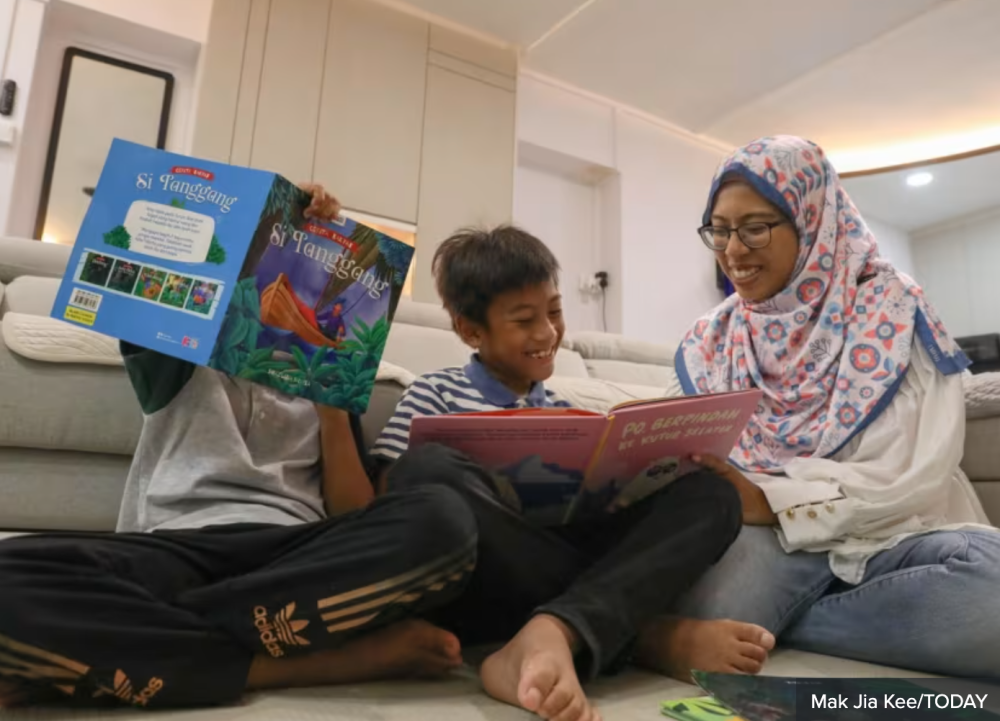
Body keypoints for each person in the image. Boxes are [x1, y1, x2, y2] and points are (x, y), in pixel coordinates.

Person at [0, 185, 478, 710]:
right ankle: (296, 662)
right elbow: (138, 283)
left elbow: (355, 514)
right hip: (177, 545)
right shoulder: (178, 352)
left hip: (297, 557)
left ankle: (133, 637)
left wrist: (332, 406)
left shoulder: (327, 378)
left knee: (445, 518)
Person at [371, 226, 774, 721]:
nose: (546, 333)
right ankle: (640, 635)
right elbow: (391, 501)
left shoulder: (569, 409)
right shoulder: (433, 395)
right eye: (524, 320)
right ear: (471, 331)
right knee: (426, 468)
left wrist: (633, 487)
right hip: (486, 573)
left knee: (712, 493)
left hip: (570, 546)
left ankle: (562, 629)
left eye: (555, 312)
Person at [673, 135, 1000, 677]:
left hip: (890, 533)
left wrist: (774, 500)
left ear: (812, 221)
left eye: (754, 227)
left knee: (990, 584)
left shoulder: (891, 307)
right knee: (710, 597)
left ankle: (771, 626)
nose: (733, 250)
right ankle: (746, 622)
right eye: (720, 230)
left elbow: (912, 475)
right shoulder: (713, 337)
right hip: (766, 541)